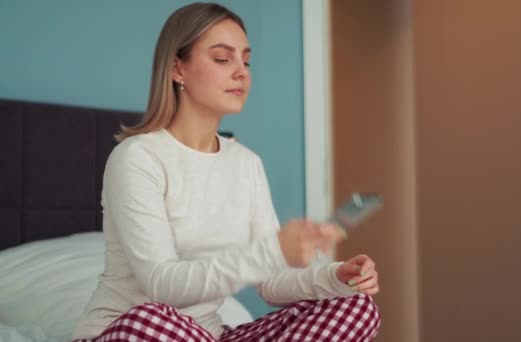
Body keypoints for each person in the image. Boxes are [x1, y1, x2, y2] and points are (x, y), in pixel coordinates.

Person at [72, 2, 380, 341]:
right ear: (177, 68)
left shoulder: (245, 164)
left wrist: (337, 276)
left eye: (246, 61)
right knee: (153, 316)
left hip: (209, 336)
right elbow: (161, 285)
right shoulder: (137, 158)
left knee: (356, 306)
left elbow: (271, 282)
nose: (241, 72)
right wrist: (274, 249)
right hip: (139, 331)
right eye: (222, 59)